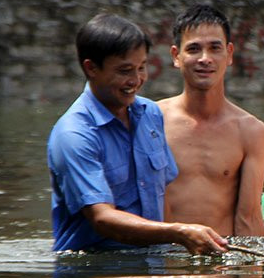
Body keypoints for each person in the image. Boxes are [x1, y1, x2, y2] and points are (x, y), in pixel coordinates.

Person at [47, 13, 226, 254]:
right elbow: (102, 218)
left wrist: (172, 253)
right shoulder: (74, 134)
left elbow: (162, 196)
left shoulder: (149, 113)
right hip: (93, 276)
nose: (136, 80)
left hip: (152, 267)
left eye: (142, 67)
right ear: (91, 68)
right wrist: (179, 232)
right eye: (124, 71)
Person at [158, 3, 264, 237]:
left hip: (221, 263)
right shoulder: (152, 121)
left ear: (229, 54)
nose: (205, 59)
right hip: (165, 261)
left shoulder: (250, 131)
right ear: (176, 56)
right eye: (194, 49)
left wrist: (250, 273)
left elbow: (248, 218)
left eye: (214, 48)